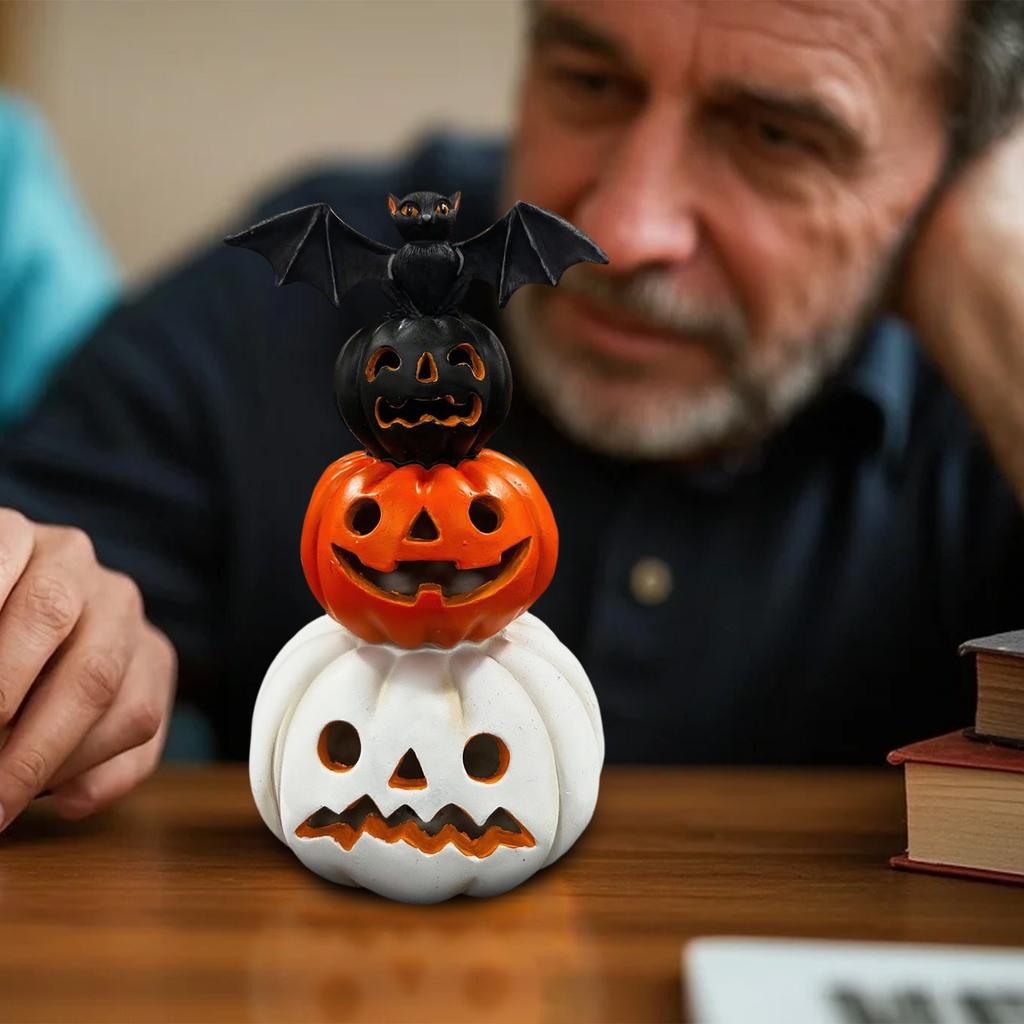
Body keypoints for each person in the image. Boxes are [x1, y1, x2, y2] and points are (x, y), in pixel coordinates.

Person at [0, 0, 1023, 831]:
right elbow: (52, 561)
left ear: (962, 159)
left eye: (774, 135)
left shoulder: (987, 372)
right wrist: (60, 628)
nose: (622, 227)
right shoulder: (302, 302)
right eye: (588, 82)